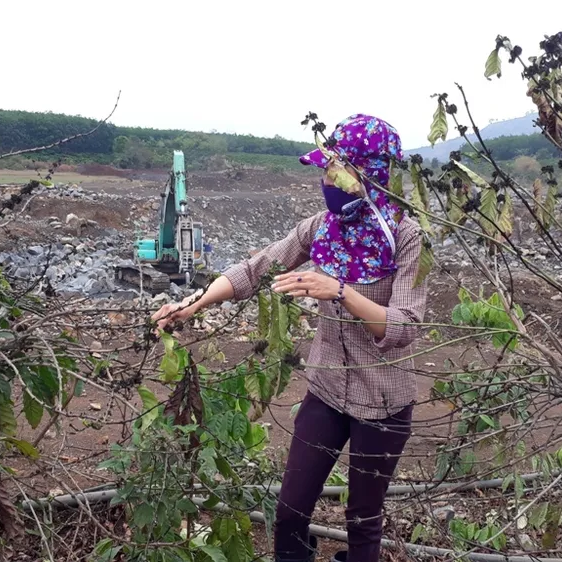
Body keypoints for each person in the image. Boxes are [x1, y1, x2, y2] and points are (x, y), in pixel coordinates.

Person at [152, 114, 427, 562]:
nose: (325, 179)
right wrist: (191, 306)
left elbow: (404, 326)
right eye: (324, 168)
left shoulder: (406, 238)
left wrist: (339, 291)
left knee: (362, 521)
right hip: (327, 391)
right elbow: (255, 268)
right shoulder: (321, 228)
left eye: (334, 169)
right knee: (291, 509)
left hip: (384, 400)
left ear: (367, 172)